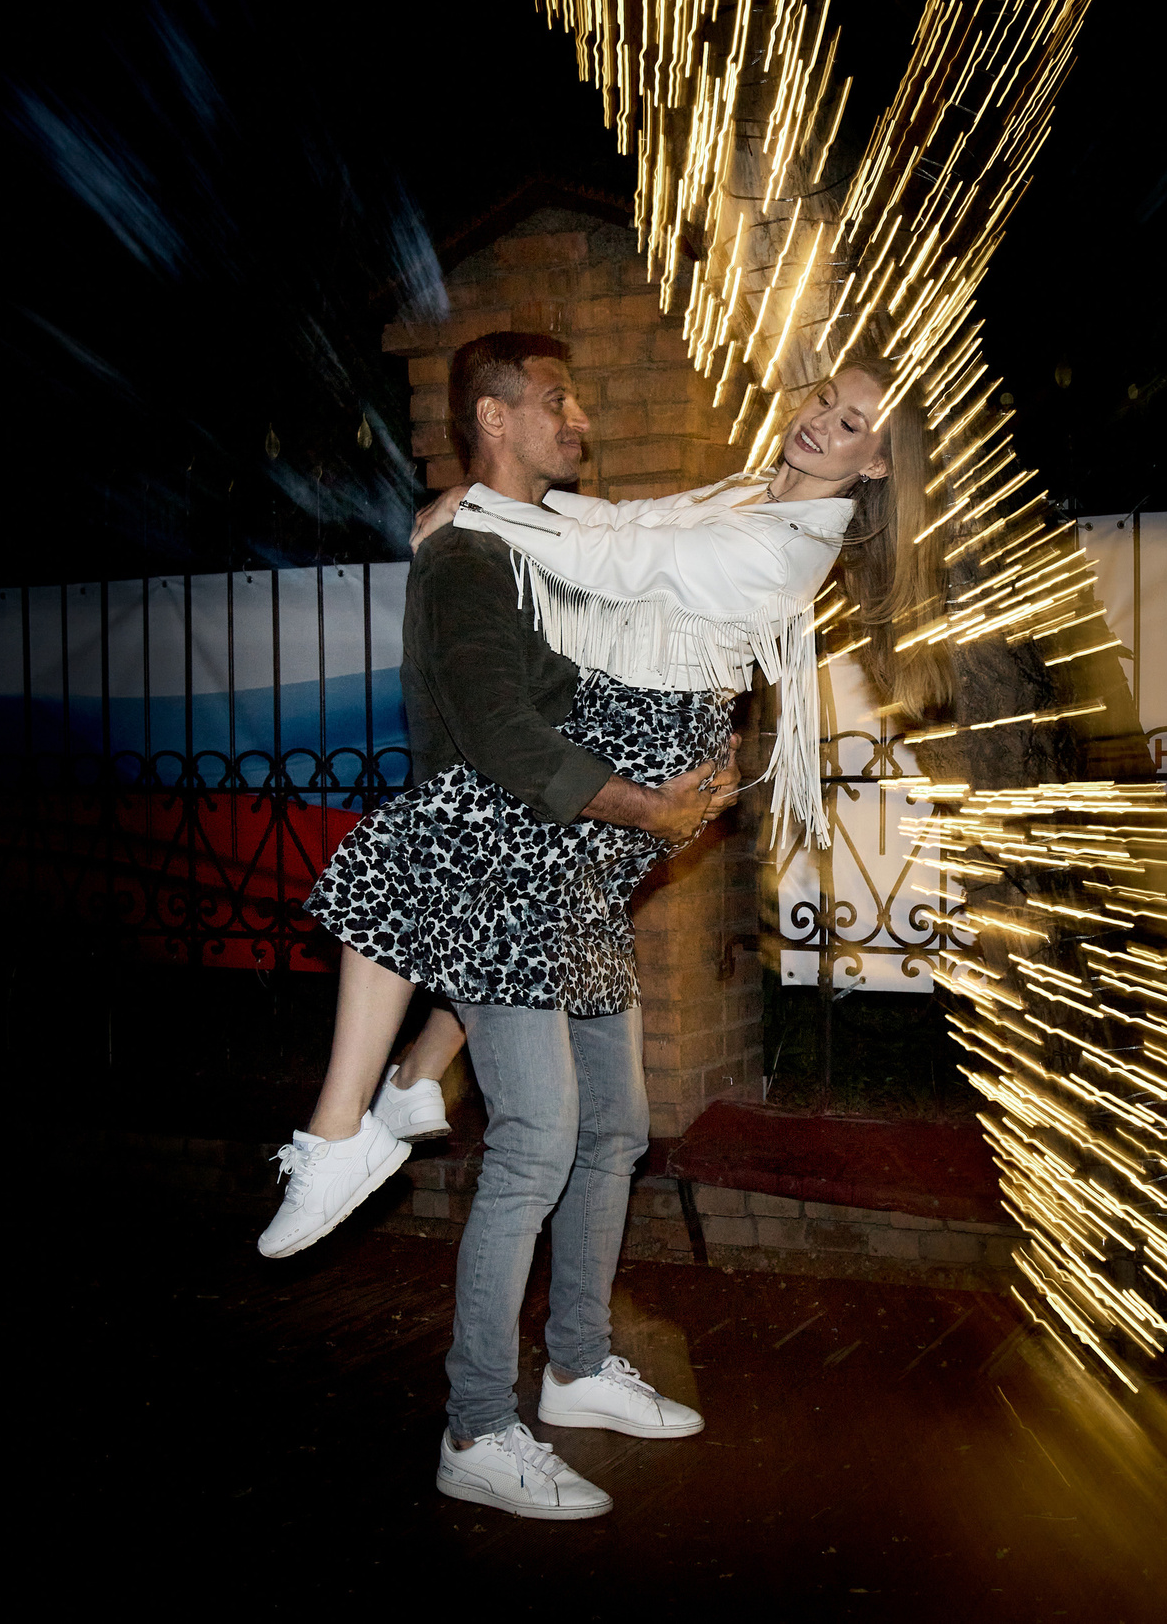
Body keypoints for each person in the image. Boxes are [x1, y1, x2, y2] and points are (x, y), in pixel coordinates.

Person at [272, 335, 943, 1520]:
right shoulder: (748, 495)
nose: (818, 429)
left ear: (882, 465)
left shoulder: (781, 545)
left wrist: (472, 507)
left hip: (594, 837)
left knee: (611, 1127)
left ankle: (572, 1362)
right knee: (539, 1132)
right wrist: (473, 512)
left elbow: (626, 552)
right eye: (822, 406)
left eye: (849, 429)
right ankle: (477, 1424)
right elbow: (641, 526)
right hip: (561, 828)